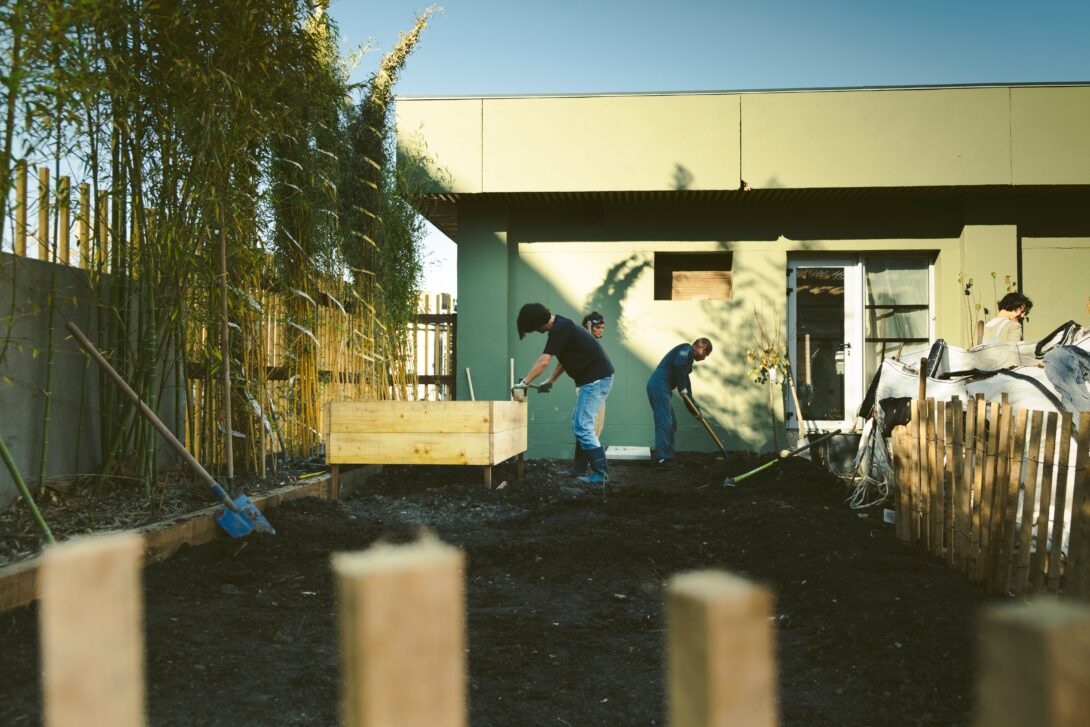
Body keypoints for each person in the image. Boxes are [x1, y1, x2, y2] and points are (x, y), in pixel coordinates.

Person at [515, 303, 615, 485]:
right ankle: (579, 470)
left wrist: (523, 383)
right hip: (592, 380)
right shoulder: (561, 325)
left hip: (596, 380)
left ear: (537, 324)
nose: (535, 332)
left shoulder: (560, 328)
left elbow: (543, 361)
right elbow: (563, 359)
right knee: (578, 424)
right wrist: (551, 380)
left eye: (533, 329)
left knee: (583, 426)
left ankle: (601, 475)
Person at [646, 338, 713, 467]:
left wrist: (695, 411)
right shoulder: (685, 349)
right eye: (706, 355)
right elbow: (678, 367)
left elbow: (686, 391)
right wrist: (681, 387)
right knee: (665, 422)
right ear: (701, 349)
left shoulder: (686, 363)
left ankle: (669, 457)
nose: (704, 358)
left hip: (663, 389)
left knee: (672, 423)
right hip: (658, 386)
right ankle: (663, 459)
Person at [581, 312, 607, 442]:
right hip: (589, 388)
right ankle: (585, 460)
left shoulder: (594, 343)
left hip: (599, 388)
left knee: (598, 427)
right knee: (588, 427)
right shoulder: (583, 342)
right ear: (589, 326)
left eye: (602, 328)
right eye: (598, 327)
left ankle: (589, 460)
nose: (600, 330)